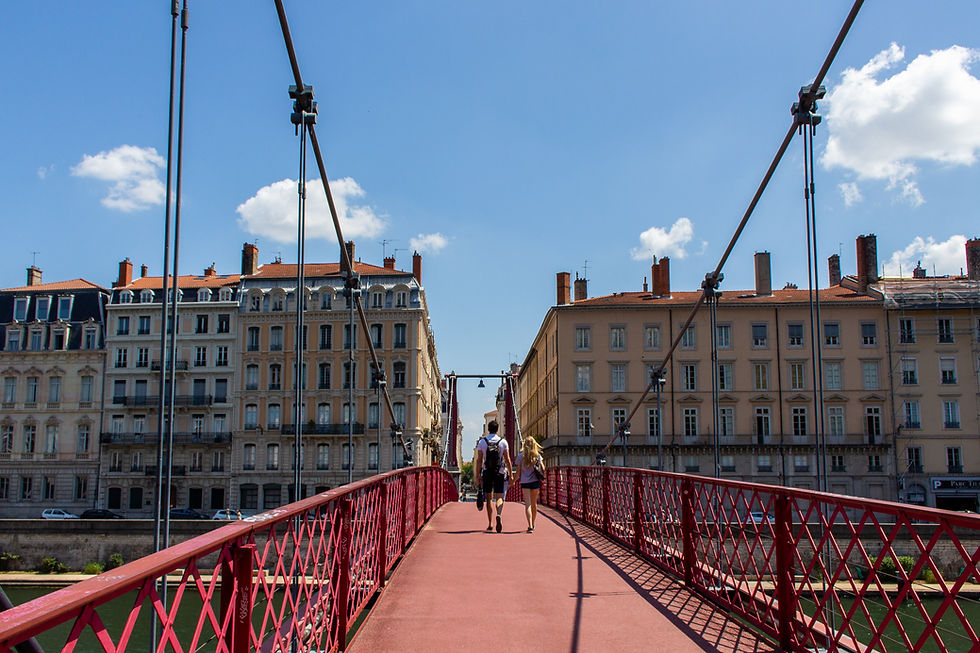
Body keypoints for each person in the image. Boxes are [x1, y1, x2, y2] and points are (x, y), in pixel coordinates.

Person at [474, 420, 512, 533]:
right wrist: (511, 474)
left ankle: (490, 523)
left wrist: (477, 476)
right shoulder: (503, 442)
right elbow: (508, 459)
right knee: (499, 496)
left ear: (488, 429)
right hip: (499, 472)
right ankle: (499, 514)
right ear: (497, 429)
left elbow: (479, 460)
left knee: (489, 498)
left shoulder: (482, 442)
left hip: (487, 472)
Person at [513, 436, 545, 532]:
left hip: (525, 482)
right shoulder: (537, 456)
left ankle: (530, 525)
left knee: (527, 504)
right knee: (534, 503)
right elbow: (543, 468)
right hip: (535, 482)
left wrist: (513, 481)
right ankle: (533, 523)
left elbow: (518, 472)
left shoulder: (520, 456)